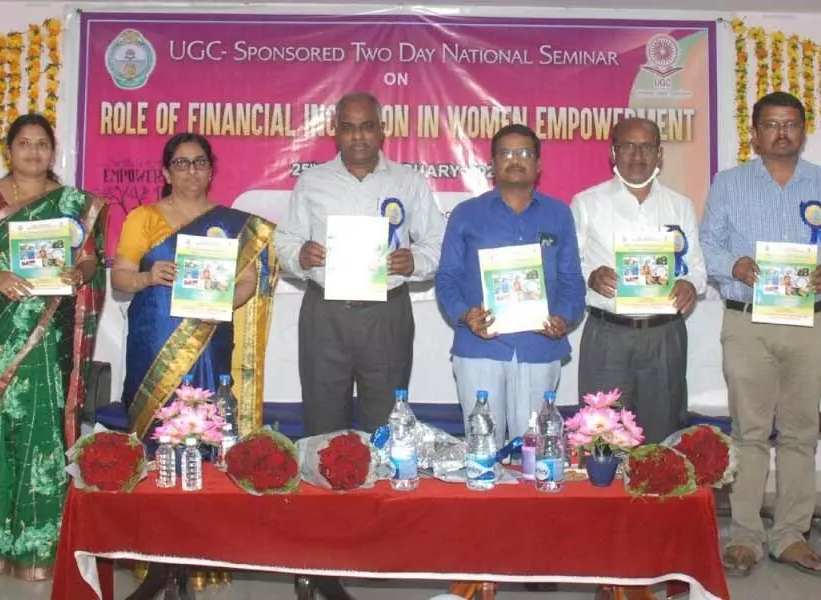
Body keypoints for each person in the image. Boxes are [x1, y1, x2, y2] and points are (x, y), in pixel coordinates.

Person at [0, 113, 106, 581]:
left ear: (51, 151)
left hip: (46, 330)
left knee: (40, 430)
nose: (33, 152)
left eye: (41, 144)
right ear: (8, 148)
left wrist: (80, 273)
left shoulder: (73, 203)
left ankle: (38, 547)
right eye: (23, 143)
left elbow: (92, 257)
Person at [700, 91, 821, 577]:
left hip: (808, 323)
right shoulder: (729, 184)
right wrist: (734, 263)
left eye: (791, 124)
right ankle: (745, 536)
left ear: (803, 130)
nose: (782, 132)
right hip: (747, 320)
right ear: (754, 133)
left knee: (800, 433)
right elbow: (706, 244)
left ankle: (791, 534)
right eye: (771, 124)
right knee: (749, 434)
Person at [275, 92, 444, 436]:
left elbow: (438, 245)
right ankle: (325, 487)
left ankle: (383, 487)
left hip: (386, 314)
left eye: (367, 127)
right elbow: (284, 242)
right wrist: (299, 256)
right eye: (349, 128)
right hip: (325, 312)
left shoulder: (408, 182)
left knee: (385, 420)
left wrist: (415, 262)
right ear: (335, 132)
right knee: (322, 418)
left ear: (382, 131)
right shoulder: (312, 181)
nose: (358, 136)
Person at [114, 132, 278, 440]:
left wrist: (222, 305)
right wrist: (147, 277)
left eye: (199, 162)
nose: (192, 170)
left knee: (210, 423)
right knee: (155, 428)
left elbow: (247, 283)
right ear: (166, 172)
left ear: (211, 170)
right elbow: (120, 276)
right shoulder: (144, 218)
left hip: (210, 337)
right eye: (182, 163)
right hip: (154, 344)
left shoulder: (231, 224)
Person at [437, 124, 585, 450]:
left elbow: (573, 282)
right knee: (482, 449)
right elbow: (446, 279)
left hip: (539, 347)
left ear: (538, 164)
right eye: (506, 153)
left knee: (534, 452)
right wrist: (465, 316)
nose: (515, 160)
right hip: (480, 348)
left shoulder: (559, 215)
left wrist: (563, 317)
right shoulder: (466, 214)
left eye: (524, 153)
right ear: (492, 163)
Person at [571, 117, 707, 445]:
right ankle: (605, 497)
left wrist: (689, 284)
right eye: (628, 146)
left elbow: (698, 270)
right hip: (608, 335)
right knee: (602, 438)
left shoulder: (680, 205)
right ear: (612, 153)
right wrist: (590, 276)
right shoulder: (586, 203)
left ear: (659, 155)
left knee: (663, 438)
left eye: (646, 147)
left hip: (664, 336)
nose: (637, 154)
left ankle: (659, 496)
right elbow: (567, 267)